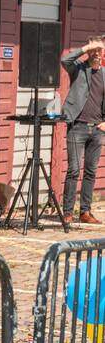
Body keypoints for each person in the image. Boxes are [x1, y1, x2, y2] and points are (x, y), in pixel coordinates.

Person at [60, 37, 105, 228]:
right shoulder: (78, 68)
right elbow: (65, 60)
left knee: (90, 171)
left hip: (97, 129)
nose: (96, 53)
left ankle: (85, 212)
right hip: (77, 126)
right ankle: (68, 213)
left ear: (103, 54)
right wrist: (87, 47)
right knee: (73, 170)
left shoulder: (104, 73)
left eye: (99, 50)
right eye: (93, 50)